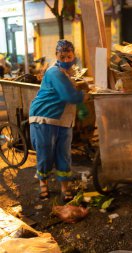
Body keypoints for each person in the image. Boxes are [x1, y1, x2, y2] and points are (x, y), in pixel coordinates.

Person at [29, 39, 87, 202]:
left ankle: (65, 189)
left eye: (69, 56)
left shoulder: (68, 74)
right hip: (44, 118)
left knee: (63, 154)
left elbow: (71, 93)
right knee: (45, 153)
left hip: (64, 121)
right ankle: (43, 185)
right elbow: (69, 95)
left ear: (74, 56)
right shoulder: (54, 72)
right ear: (56, 56)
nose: (67, 60)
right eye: (63, 56)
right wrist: (84, 96)